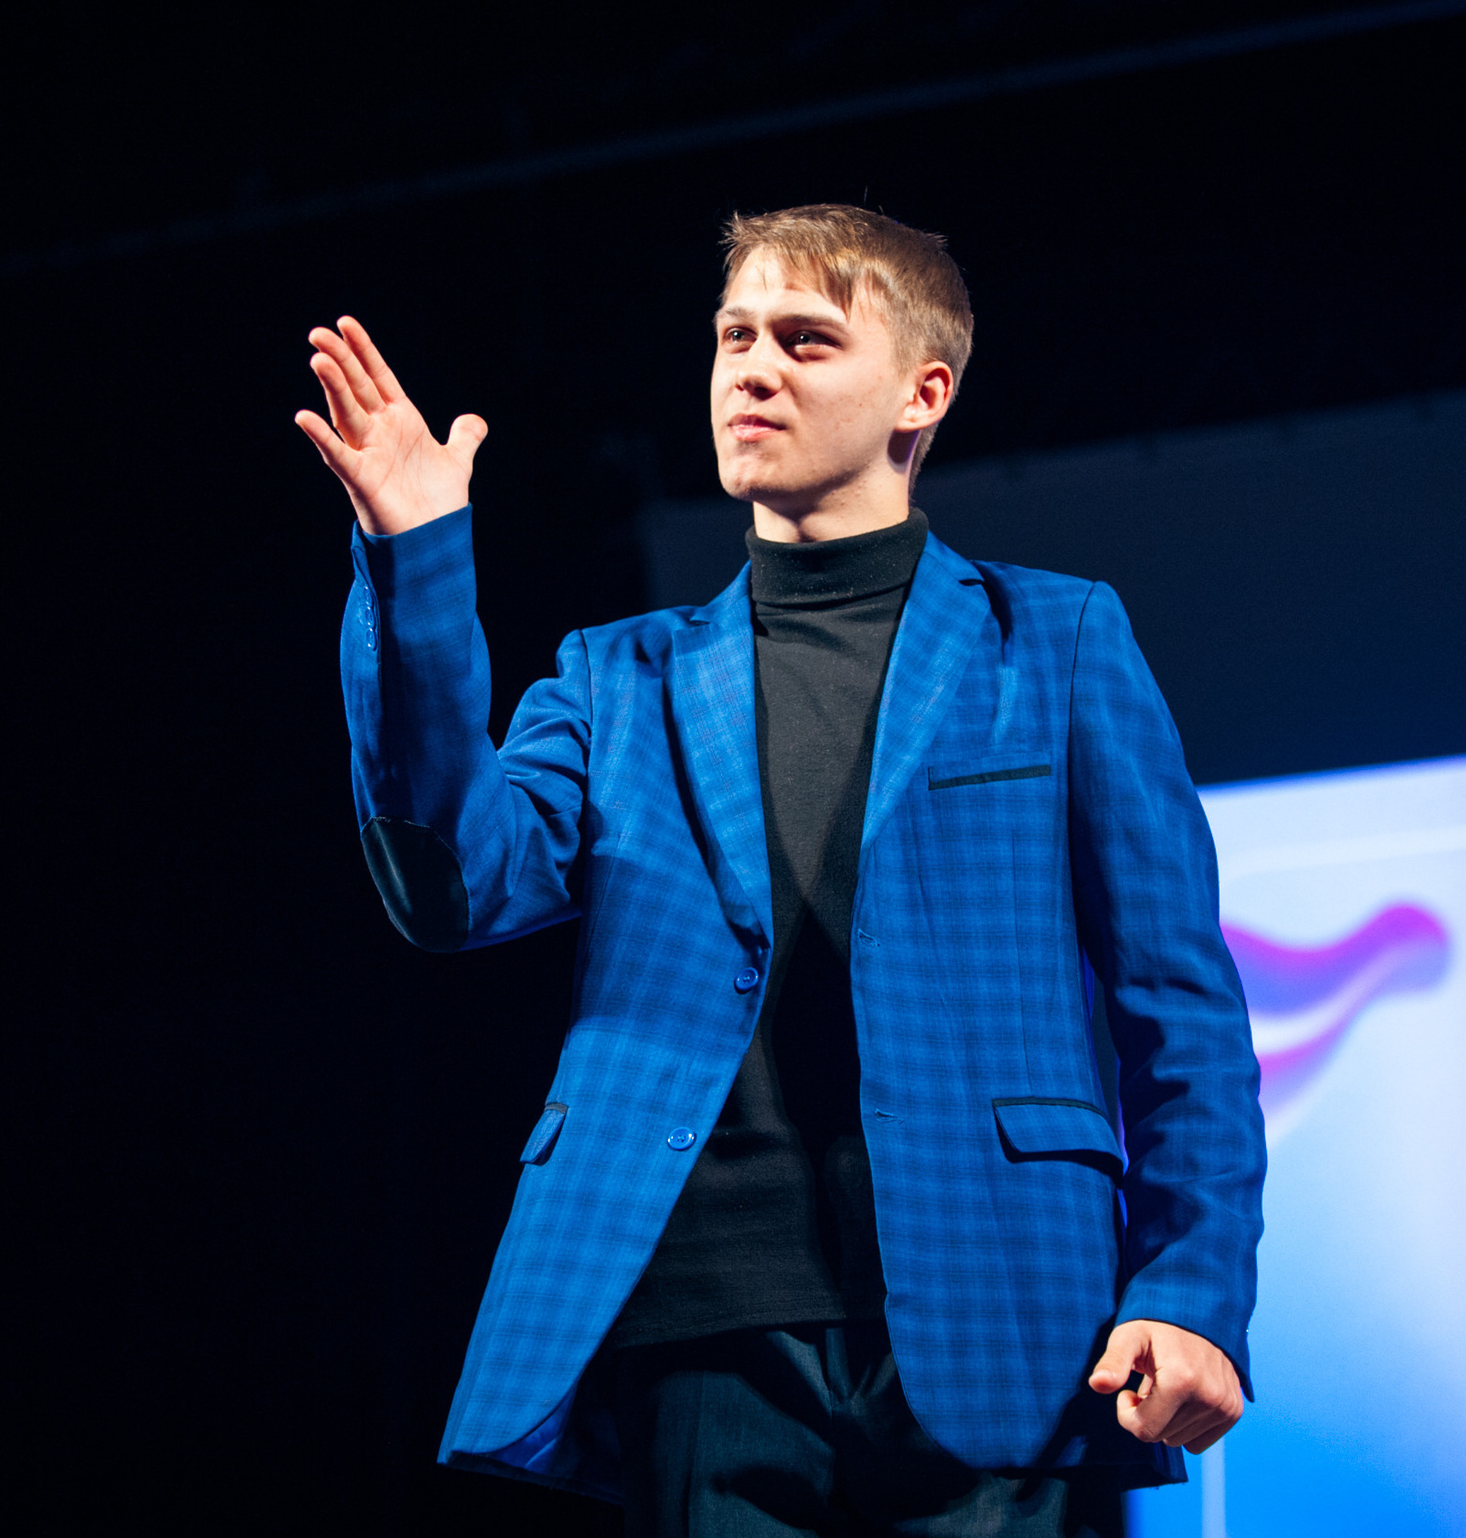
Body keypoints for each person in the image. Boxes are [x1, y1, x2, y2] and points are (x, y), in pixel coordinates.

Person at [296, 205, 1266, 1536]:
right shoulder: (615, 675)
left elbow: (1183, 1008)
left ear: (923, 392)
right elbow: (454, 886)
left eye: (806, 340)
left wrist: (1194, 1286)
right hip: (702, 1319)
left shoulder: (1056, 640)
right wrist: (417, 564)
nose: (752, 369)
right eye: (734, 337)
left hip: (1004, 1308)